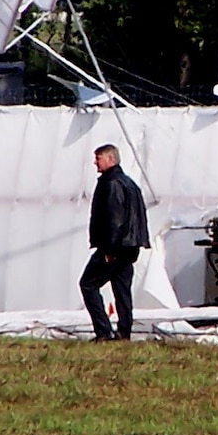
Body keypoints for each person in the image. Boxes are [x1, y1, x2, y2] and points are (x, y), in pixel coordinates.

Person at [81, 143, 149, 341]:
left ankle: (103, 331)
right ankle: (124, 332)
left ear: (111, 159)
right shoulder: (129, 183)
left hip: (115, 247)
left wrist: (109, 249)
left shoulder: (112, 184)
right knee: (122, 290)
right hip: (130, 247)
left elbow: (114, 218)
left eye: (98, 158)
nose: (95, 162)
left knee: (88, 283)